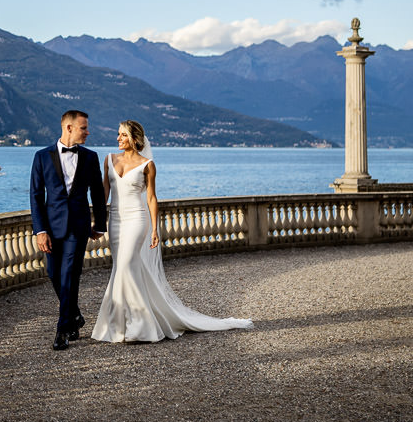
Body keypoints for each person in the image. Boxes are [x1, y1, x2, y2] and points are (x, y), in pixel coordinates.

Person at [91, 119, 252, 343]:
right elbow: (103, 193)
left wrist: (155, 229)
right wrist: (98, 220)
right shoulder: (109, 160)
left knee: (127, 264)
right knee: (121, 267)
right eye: (118, 134)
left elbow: (151, 198)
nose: (118, 138)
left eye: (123, 135)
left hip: (138, 219)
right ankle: (118, 324)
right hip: (116, 221)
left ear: (135, 139)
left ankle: (139, 325)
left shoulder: (147, 165)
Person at [30, 109, 109, 350]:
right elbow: (35, 196)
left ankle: (63, 329)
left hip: (78, 226)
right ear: (69, 128)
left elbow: (97, 193)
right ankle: (74, 314)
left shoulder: (90, 157)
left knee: (70, 275)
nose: (88, 132)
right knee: (54, 274)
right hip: (51, 227)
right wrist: (40, 230)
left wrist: (100, 224)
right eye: (84, 128)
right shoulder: (42, 156)